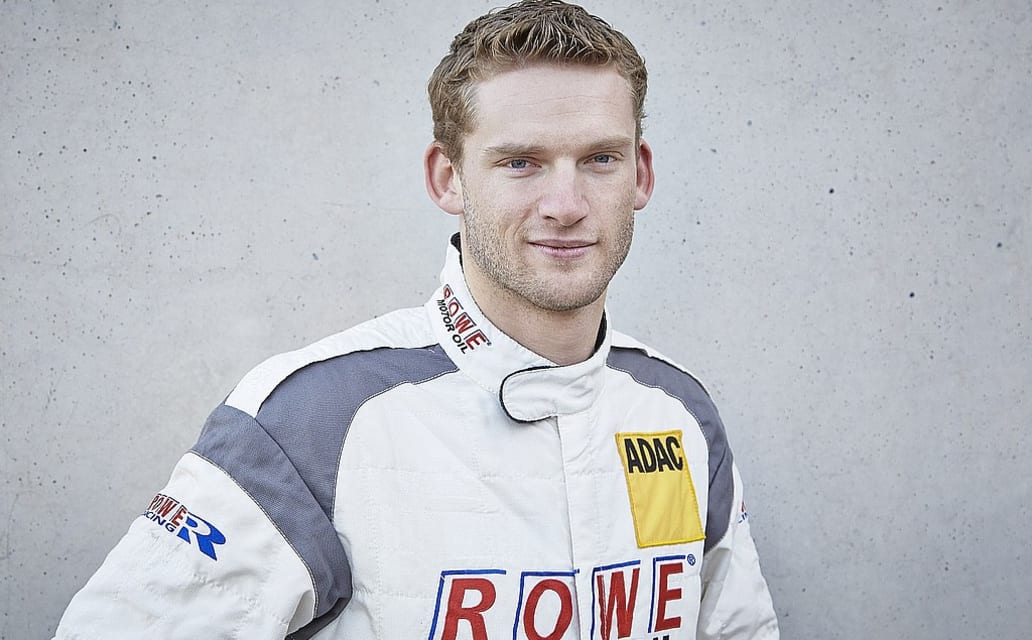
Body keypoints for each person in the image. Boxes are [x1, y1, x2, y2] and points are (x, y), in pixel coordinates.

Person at [54, 1, 779, 638]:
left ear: (640, 174)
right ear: (447, 177)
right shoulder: (310, 420)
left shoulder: (679, 412)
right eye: (520, 163)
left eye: (598, 159)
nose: (565, 205)